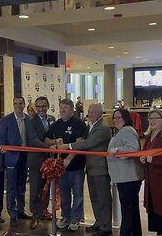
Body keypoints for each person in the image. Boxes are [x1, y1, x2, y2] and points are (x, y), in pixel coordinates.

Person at [58, 103, 113, 236]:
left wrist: (68, 146)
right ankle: (99, 222)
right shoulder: (91, 126)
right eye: (89, 111)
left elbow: (89, 143)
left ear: (101, 113)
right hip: (91, 168)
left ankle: (105, 227)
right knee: (94, 198)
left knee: (103, 198)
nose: (90, 114)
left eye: (93, 111)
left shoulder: (103, 128)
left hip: (101, 169)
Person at [45, 98, 87, 231]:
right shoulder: (57, 124)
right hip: (61, 167)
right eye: (61, 107)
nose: (62, 110)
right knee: (63, 194)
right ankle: (65, 217)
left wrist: (68, 159)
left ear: (72, 109)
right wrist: (54, 141)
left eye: (65, 107)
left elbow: (79, 143)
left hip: (76, 166)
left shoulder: (79, 123)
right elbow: (46, 139)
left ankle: (76, 219)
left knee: (78, 194)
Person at [107, 108, 144, 236]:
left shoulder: (127, 130)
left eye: (119, 117)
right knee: (131, 210)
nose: (116, 120)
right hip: (124, 177)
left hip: (128, 177)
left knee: (128, 210)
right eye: (114, 118)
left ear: (126, 118)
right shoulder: (120, 131)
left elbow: (133, 148)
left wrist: (117, 150)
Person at [0, 97, 32, 227]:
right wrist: (1, 147)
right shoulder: (6, 120)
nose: (18, 105)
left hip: (25, 157)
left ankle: (21, 210)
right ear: (13, 105)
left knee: (22, 186)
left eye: (20, 103)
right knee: (11, 187)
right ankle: (12, 213)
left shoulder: (29, 119)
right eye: (15, 103)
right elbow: (2, 138)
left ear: (24, 105)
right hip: (11, 157)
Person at [25, 96, 55, 230]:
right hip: (36, 161)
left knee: (46, 189)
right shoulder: (31, 122)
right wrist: (50, 147)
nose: (41, 109)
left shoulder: (52, 119)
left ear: (48, 106)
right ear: (35, 108)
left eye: (43, 106)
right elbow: (33, 141)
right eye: (38, 107)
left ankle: (43, 211)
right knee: (35, 190)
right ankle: (35, 216)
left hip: (49, 160)